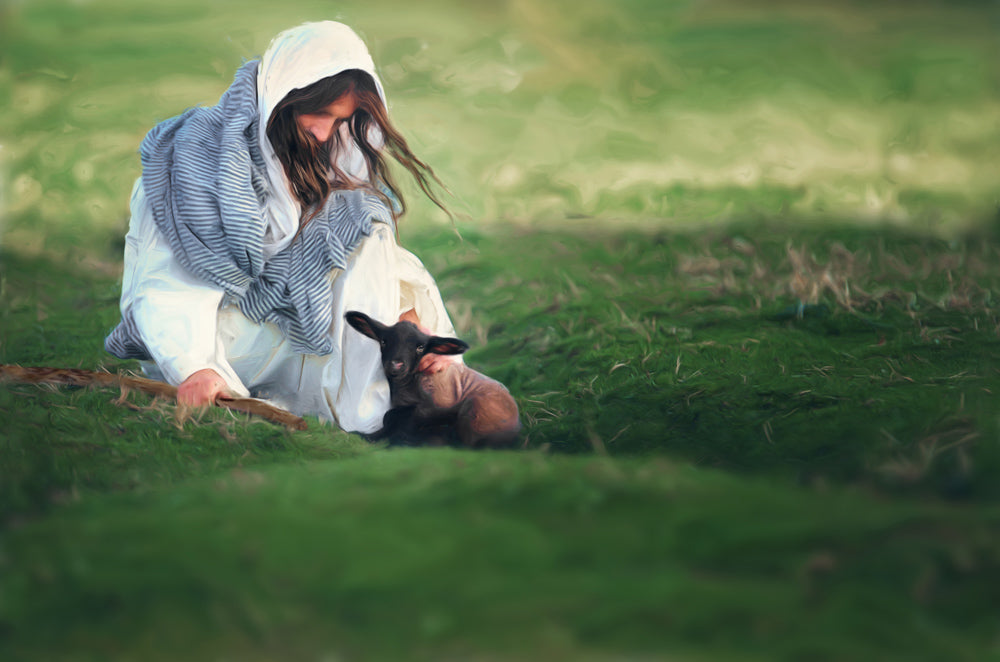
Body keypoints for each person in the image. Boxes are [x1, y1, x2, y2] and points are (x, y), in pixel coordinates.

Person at [105, 21, 461, 434]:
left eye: (339, 120)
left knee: (368, 230)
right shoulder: (194, 161)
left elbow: (352, 254)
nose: (324, 132)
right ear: (285, 95)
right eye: (319, 112)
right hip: (205, 340)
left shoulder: (317, 154)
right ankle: (376, 410)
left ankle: (414, 388)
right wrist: (194, 365)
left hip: (286, 325)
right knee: (365, 249)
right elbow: (167, 280)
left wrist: (404, 314)